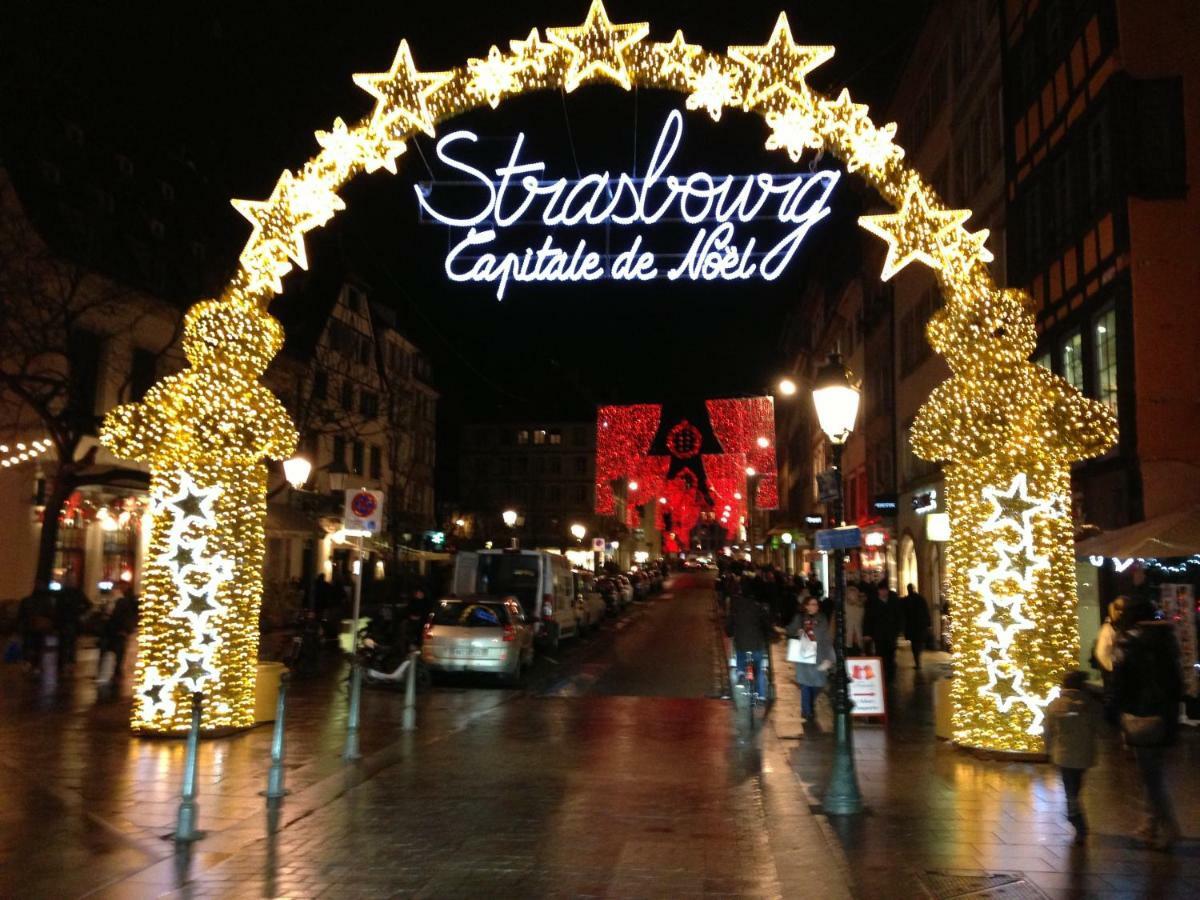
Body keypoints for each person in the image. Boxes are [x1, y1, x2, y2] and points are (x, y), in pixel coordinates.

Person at [1112, 596, 1182, 850]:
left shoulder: (1129, 642)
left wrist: (1113, 712)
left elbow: (1121, 682)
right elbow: (1176, 682)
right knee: (1153, 770)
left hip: (1141, 715)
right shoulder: (1166, 640)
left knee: (1151, 776)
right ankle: (1150, 824)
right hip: (1165, 715)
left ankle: (1170, 828)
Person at [1043, 670, 1103, 843]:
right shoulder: (1091, 705)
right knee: (1075, 787)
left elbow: (1048, 731)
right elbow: (1103, 730)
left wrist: (1048, 751)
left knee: (1070, 789)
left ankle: (1076, 818)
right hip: (1084, 755)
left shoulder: (1055, 705)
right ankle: (1075, 817)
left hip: (1063, 755)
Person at [787, 596, 835, 720]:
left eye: (816, 604)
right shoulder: (800, 618)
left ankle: (809, 703)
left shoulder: (822, 618)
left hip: (818, 654)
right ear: (806, 605)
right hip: (804, 654)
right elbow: (789, 630)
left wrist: (829, 656)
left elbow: (826, 636)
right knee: (805, 684)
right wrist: (797, 631)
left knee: (818, 684)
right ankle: (807, 711)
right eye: (812, 604)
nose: (814, 607)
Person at [727, 578, 771, 701]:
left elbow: (730, 624)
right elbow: (766, 624)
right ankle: (761, 694)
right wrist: (768, 635)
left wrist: (729, 632)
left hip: (741, 643)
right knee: (759, 669)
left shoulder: (736, 607)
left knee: (740, 653)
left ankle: (740, 672)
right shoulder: (758, 608)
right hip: (757, 644)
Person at [99, 583, 139, 687]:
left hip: (118, 632)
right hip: (110, 632)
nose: (112, 591)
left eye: (114, 589)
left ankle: (116, 674)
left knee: (118, 654)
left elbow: (126, 617)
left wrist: (125, 630)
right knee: (109, 653)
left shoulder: (122, 601)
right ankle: (109, 674)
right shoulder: (111, 601)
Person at [864, 582, 904, 684]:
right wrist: (868, 633)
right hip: (878, 634)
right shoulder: (873, 602)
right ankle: (882, 674)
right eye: (881, 590)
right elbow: (868, 618)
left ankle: (890, 676)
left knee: (891, 655)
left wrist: (898, 629)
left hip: (891, 634)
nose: (883, 592)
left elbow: (899, 616)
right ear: (878, 591)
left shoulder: (894, 601)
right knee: (880, 654)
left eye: (885, 590)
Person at [17, 581, 56, 677]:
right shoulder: (46, 602)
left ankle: (28, 663)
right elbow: (51, 615)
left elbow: (21, 615)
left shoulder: (26, 601)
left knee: (28, 645)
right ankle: (35, 666)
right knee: (38, 647)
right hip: (40, 629)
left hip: (29, 627)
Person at [54, 584, 91, 674]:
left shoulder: (73, 592)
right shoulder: (69, 592)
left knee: (68, 643)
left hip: (70, 622)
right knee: (67, 643)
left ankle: (66, 663)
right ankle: (66, 663)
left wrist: (80, 613)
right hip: (67, 622)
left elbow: (88, 604)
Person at [902, 583, 931, 671]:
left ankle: (917, 660)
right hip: (920, 625)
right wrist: (928, 623)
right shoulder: (920, 599)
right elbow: (926, 611)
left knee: (915, 645)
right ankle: (917, 660)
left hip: (912, 626)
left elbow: (903, 614)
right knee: (918, 643)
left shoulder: (906, 600)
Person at [843, 583, 865, 655]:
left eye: (855, 594)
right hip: (846, 638)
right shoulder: (842, 606)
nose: (853, 596)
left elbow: (862, 622)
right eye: (851, 594)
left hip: (858, 638)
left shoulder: (860, 607)